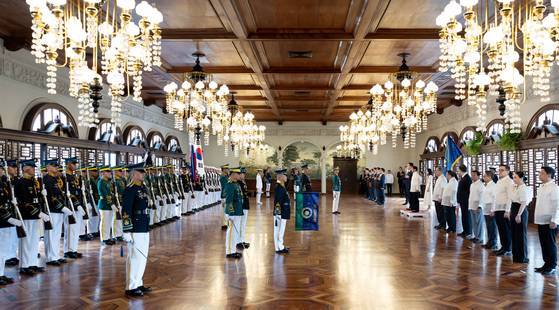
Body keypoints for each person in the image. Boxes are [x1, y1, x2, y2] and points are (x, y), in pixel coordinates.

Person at [121, 162, 152, 297]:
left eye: (143, 172)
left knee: (142, 256)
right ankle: (131, 286)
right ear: (133, 174)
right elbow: (126, 210)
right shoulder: (130, 189)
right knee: (135, 257)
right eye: (141, 172)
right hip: (135, 226)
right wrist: (126, 230)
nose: (143, 174)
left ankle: (138, 282)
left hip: (143, 224)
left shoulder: (142, 188)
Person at [14, 160, 46, 275]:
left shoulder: (32, 182)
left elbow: (35, 199)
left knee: (34, 241)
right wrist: (38, 212)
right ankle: (24, 265)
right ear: (25, 168)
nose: (34, 169)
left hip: (34, 216)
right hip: (26, 216)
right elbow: (24, 202)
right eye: (32, 167)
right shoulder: (21, 183)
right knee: (26, 242)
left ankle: (32, 263)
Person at [43, 159, 72, 266]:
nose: (56, 167)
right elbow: (51, 197)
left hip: (58, 210)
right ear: (48, 167)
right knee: (51, 234)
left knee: (57, 234)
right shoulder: (46, 179)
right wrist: (62, 207)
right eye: (53, 166)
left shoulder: (54, 179)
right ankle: (51, 257)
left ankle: (55, 255)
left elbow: (59, 194)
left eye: (56, 166)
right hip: (52, 210)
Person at [534, 166, 559, 275]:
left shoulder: (554, 187)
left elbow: (557, 205)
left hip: (550, 221)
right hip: (541, 219)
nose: (539, 175)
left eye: (541, 173)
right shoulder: (542, 187)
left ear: (549, 175)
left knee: (550, 243)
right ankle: (546, 264)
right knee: (544, 243)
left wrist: (554, 219)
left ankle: (552, 265)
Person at [0, 160, 19, 285]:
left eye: (2, 168)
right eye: (0, 169)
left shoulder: (4, 182)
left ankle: (1, 273)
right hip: (1, 219)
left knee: (3, 249)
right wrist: (8, 217)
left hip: (5, 220)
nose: (1, 170)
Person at [63, 157, 85, 258]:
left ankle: (74, 249)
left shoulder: (74, 177)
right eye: (73, 164)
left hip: (77, 205)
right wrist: (76, 204)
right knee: (70, 229)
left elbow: (78, 191)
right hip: (71, 206)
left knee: (75, 229)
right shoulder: (65, 177)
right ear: (68, 164)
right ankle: (68, 251)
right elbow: (68, 193)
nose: (75, 166)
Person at [510, 171, 532, 264]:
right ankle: (516, 256)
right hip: (514, 209)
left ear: (521, 178)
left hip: (521, 211)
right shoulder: (515, 187)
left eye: (515, 177)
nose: (514, 179)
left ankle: (523, 257)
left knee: (521, 234)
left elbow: (523, 202)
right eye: (513, 177)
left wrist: (519, 215)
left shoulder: (524, 188)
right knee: (514, 234)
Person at [493, 164, 514, 256]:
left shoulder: (509, 182)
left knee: (506, 230)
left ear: (507, 172)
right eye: (499, 170)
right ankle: (503, 247)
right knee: (501, 229)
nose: (500, 172)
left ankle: (508, 248)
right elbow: (495, 196)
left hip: (504, 209)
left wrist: (508, 210)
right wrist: (493, 208)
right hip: (498, 208)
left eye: (502, 170)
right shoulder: (498, 181)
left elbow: (510, 197)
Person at [224, 167, 244, 259]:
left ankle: (233, 250)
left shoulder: (236, 184)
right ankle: (229, 252)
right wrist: (230, 213)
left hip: (238, 211)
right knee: (231, 232)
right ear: (233, 174)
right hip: (233, 212)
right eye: (237, 173)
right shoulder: (230, 185)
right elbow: (228, 201)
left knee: (235, 233)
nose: (239, 175)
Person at [4, 160, 20, 267]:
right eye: (13, 167)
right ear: (7, 168)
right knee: (6, 234)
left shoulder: (16, 180)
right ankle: (6, 257)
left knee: (13, 234)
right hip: (5, 211)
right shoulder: (4, 180)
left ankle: (12, 255)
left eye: (16, 167)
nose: (15, 169)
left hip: (15, 210)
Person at [98, 166, 116, 245]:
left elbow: (111, 193)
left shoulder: (108, 182)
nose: (110, 173)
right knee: (104, 222)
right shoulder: (101, 182)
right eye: (108, 172)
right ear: (103, 173)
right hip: (104, 205)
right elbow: (105, 194)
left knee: (108, 222)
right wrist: (111, 203)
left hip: (109, 205)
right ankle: (104, 239)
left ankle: (107, 237)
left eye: (110, 172)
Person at [273, 168, 290, 254]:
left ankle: (280, 246)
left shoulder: (282, 186)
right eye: (284, 175)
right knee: (279, 230)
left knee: (280, 230)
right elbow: (278, 202)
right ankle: (279, 247)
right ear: (280, 177)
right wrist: (277, 214)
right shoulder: (279, 187)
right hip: (280, 213)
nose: (286, 176)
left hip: (283, 212)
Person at [482, 170, 499, 250]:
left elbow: (495, 198)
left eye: (485, 176)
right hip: (486, 207)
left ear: (489, 177)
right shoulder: (487, 185)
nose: (483, 177)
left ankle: (493, 243)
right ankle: (489, 241)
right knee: (488, 226)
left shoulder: (493, 186)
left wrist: (493, 209)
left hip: (491, 207)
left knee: (492, 226)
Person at [468, 171, 485, 244]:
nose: (472, 176)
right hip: (472, 206)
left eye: (474, 175)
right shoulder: (472, 184)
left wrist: (479, 206)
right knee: (474, 222)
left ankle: (480, 238)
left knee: (479, 222)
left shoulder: (481, 185)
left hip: (478, 207)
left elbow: (482, 197)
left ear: (478, 176)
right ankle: (476, 236)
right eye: (471, 175)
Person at [457, 164, 472, 239]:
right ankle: (465, 230)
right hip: (463, 201)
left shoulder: (467, 178)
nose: (457, 172)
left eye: (458, 170)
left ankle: (468, 231)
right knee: (464, 216)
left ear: (461, 170)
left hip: (466, 201)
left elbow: (469, 191)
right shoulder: (463, 178)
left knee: (466, 216)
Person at [238, 167, 250, 250]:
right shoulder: (238, 183)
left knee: (243, 224)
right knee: (240, 224)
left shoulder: (242, 182)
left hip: (245, 205)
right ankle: (239, 242)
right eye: (242, 173)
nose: (244, 175)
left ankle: (242, 240)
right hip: (241, 206)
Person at [219, 164, 229, 230]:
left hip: (226, 195)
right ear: (224, 169)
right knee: (224, 210)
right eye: (227, 169)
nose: (228, 170)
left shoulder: (225, 177)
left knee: (226, 210)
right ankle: (224, 224)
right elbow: (225, 187)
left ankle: (225, 223)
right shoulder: (223, 177)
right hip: (224, 195)